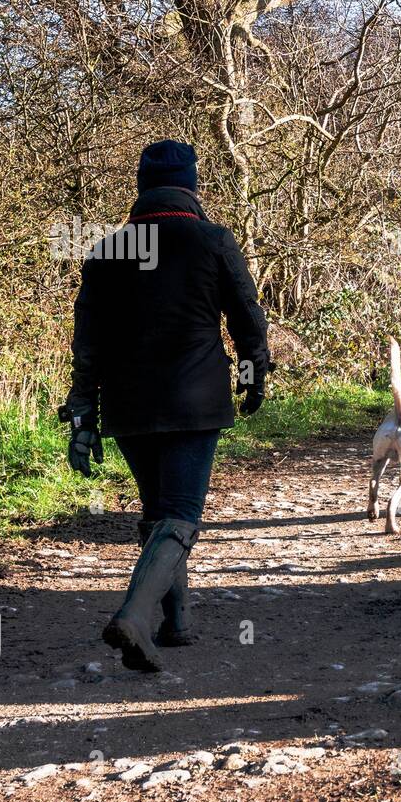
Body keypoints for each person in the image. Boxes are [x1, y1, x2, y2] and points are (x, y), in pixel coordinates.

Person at [61, 140, 269, 672]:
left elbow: (88, 342)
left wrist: (83, 412)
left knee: (159, 510)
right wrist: (252, 378)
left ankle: (177, 624)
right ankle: (134, 616)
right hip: (194, 401)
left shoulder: (106, 251)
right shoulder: (212, 240)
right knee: (180, 515)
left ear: (141, 186)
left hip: (128, 406)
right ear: (192, 184)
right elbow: (248, 320)